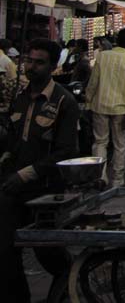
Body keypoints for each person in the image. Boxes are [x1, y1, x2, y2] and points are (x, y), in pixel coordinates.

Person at [1, 38, 79, 302]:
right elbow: (13, 141)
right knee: (6, 252)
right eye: (29, 61)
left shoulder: (63, 102)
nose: (31, 67)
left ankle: (65, 291)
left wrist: (28, 173)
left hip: (45, 191)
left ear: (53, 66)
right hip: (13, 187)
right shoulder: (19, 99)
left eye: (39, 62)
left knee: (49, 254)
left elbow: (66, 151)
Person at [86, 28, 125, 187]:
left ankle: (100, 176)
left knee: (100, 142)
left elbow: (93, 82)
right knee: (120, 144)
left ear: (116, 40)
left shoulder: (102, 57)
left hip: (100, 104)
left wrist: (88, 102)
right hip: (120, 108)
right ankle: (118, 179)